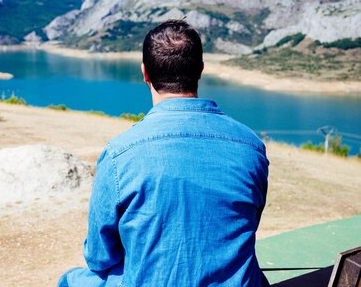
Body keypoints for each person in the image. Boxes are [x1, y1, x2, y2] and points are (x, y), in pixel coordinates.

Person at [58, 19, 269, 287]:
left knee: (70, 280)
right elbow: (249, 220)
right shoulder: (251, 146)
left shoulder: (118, 155)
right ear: (201, 69)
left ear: (145, 73)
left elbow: (99, 257)